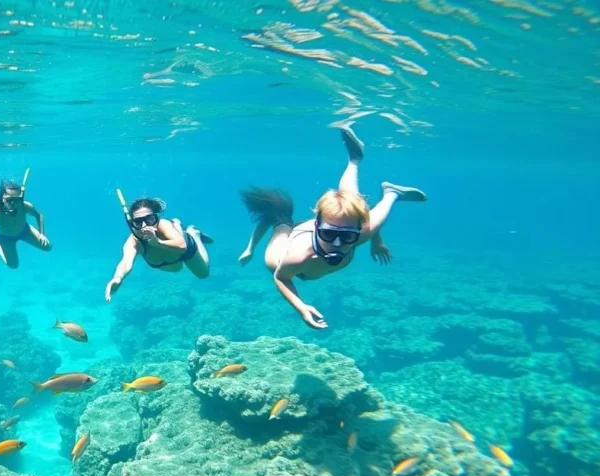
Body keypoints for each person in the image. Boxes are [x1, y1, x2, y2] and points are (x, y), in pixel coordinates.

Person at [237, 127, 426, 329]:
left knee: (351, 205)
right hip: (296, 243)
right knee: (277, 239)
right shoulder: (297, 257)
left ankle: (369, 172)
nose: (337, 244)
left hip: (335, 226)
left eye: (346, 238)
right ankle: (283, 221)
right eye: (329, 235)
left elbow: (363, 224)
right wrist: (300, 306)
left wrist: (376, 240)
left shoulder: (361, 231)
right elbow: (281, 277)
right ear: (318, 225)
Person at [105, 197, 213, 302]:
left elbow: (181, 246)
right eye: (138, 222)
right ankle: (177, 223)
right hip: (168, 262)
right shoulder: (134, 242)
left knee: (203, 274)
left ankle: (193, 234)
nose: (144, 226)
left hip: (184, 249)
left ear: (157, 218)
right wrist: (118, 278)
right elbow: (125, 262)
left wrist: (158, 242)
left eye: (150, 219)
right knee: (177, 268)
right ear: (132, 223)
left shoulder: (164, 225)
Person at [0, 178, 51, 268]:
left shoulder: (25, 206)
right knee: (13, 266)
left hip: (25, 230)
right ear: (3, 199)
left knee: (47, 247)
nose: (13, 204)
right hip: (6, 238)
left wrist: (42, 234)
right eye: (9, 200)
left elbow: (39, 215)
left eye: (16, 200)